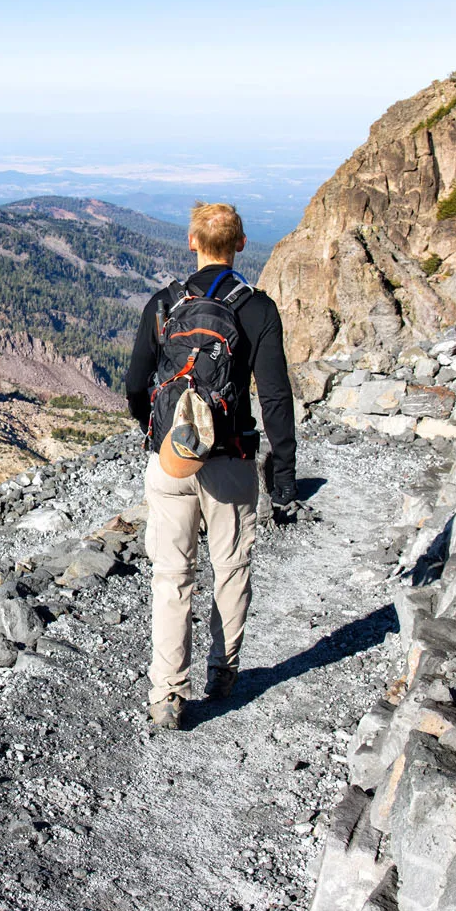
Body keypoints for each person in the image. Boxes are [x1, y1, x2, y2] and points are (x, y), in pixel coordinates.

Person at [123, 202, 297, 730]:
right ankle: (222, 670)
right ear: (241, 244)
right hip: (232, 460)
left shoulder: (163, 304)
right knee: (231, 566)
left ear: (192, 242)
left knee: (172, 576)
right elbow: (275, 397)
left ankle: (167, 695)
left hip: (171, 461)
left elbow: (135, 384)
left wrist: (158, 435)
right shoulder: (258, 309)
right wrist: (283, 474)